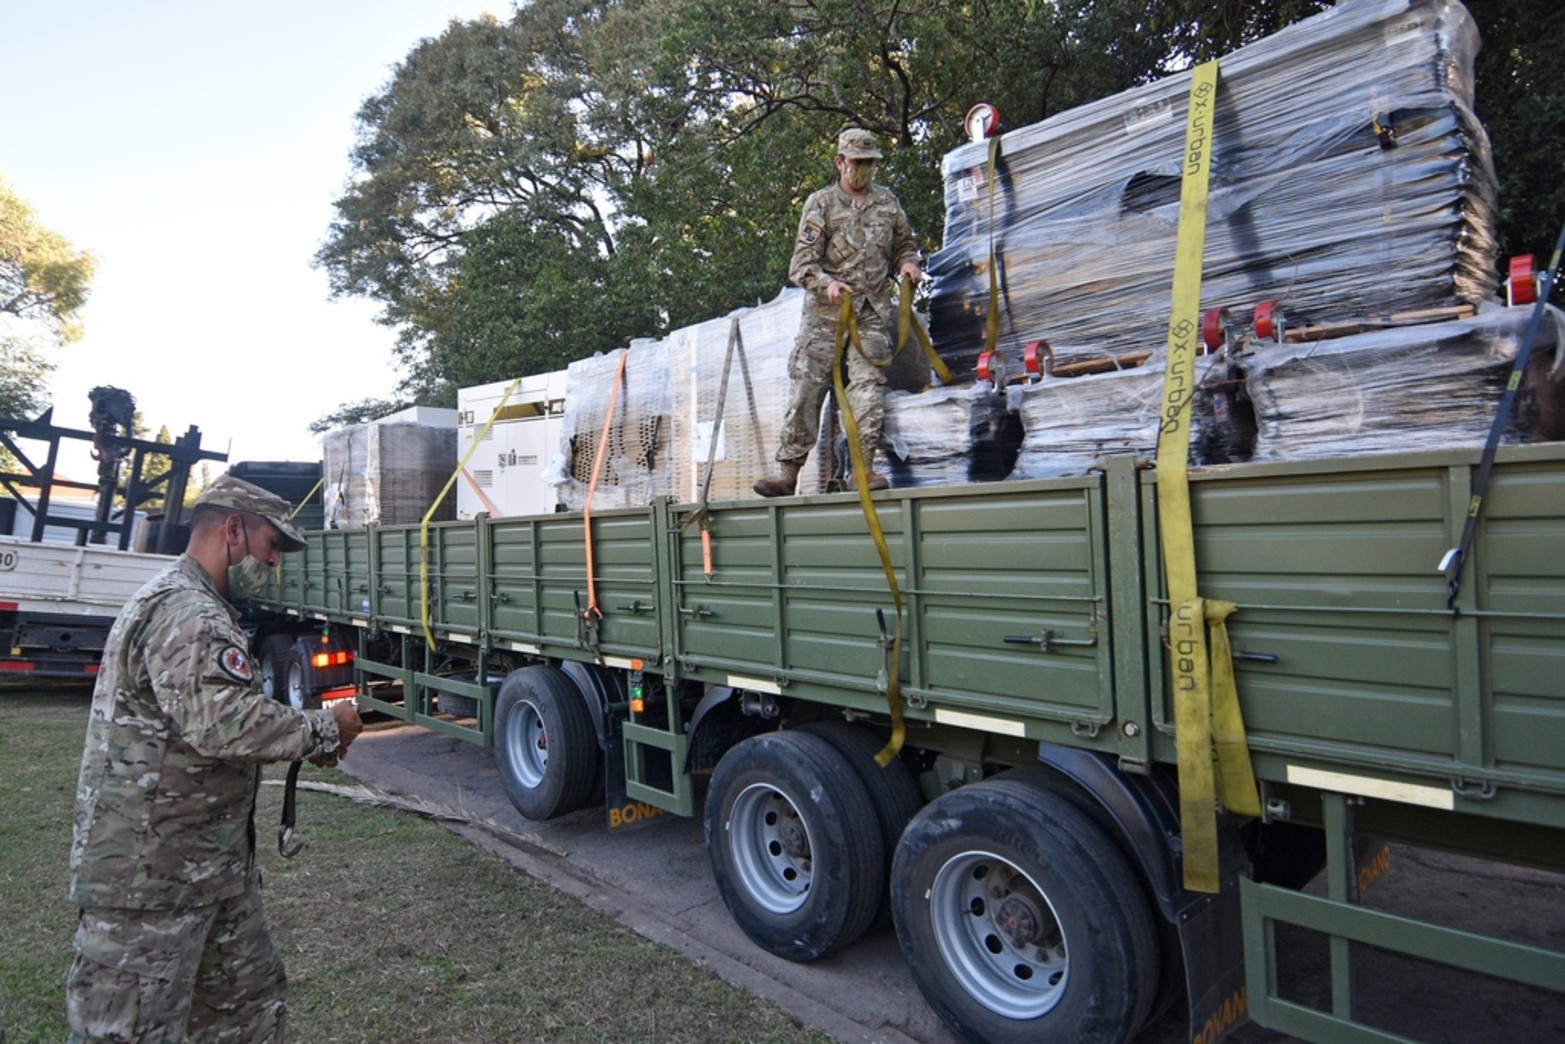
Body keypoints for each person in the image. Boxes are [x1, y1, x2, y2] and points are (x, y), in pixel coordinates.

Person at [66, 474, 363, 1043]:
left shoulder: (199, 605)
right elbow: (223, 722)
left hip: (209, 868)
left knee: (245, 1011)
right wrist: (325, 728)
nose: (275, 562)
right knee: (128, 1029)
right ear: (233, 530)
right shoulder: (187, 612)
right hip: (149, 878)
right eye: (272, 545)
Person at [753, 127, 924, 497]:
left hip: (871, 316)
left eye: (870, 163)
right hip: (824, 318)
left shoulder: (887, 203)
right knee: (806, 390)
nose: (863, 169)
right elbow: (801, 265)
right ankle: (787, 473)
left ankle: (862, 471)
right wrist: (826, 284)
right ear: (840, 162)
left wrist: (908, 263)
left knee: (868, 391)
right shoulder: (821, 204)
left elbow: (905, 244)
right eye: (857, 162)